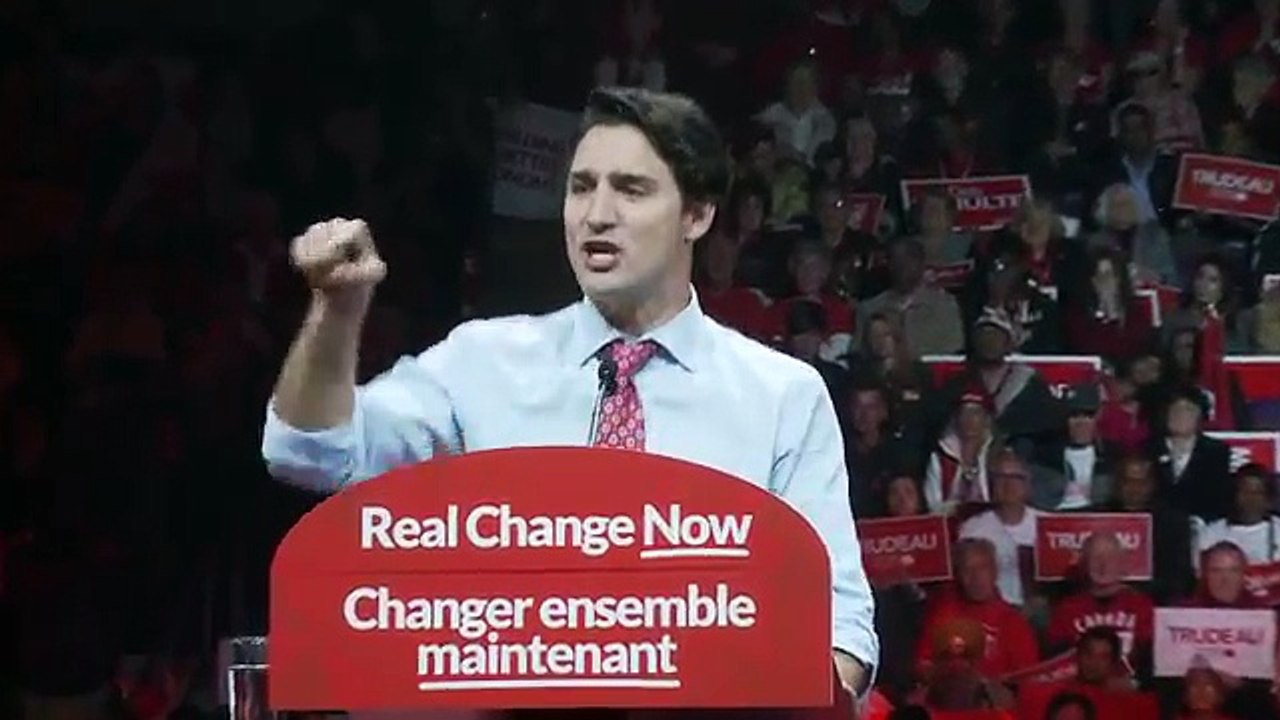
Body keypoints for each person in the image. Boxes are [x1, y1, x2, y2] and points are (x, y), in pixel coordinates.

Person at [259, 87, 877, 704]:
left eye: (630, 190)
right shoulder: (481, 363)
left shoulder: (782, 397)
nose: (596, 214)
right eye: (581, 187)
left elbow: (841, 629)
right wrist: (337, 312)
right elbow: (308, 451)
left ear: (698, 215)